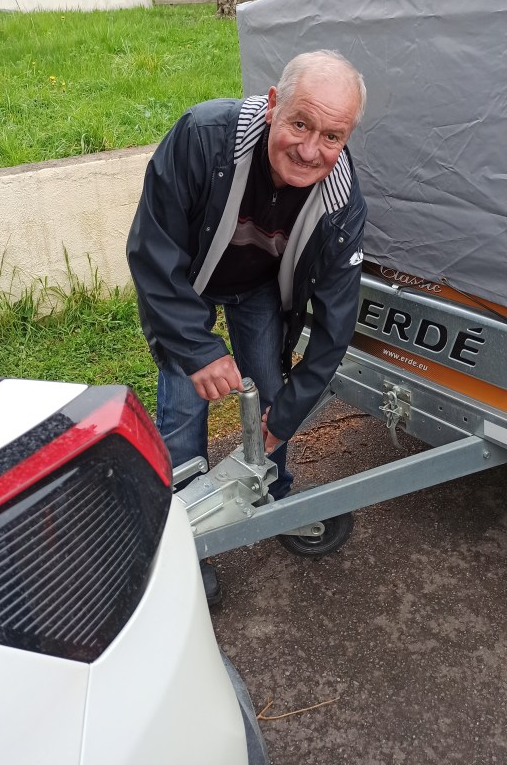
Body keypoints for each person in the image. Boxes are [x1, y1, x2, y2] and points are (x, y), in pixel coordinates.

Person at [127, 50, 367, 604]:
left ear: (347, 136)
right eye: (300, 124)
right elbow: (153, 249)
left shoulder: (342, 203)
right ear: (273, 104)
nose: (310, 150)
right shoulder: (203, 137)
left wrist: (286, 417)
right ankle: (188, 538)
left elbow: (335, 328)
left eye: (332, 137)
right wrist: (197, 348)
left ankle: (270, 494)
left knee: (270, 391)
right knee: (185, 402)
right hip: (189, 277)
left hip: (257, 284)